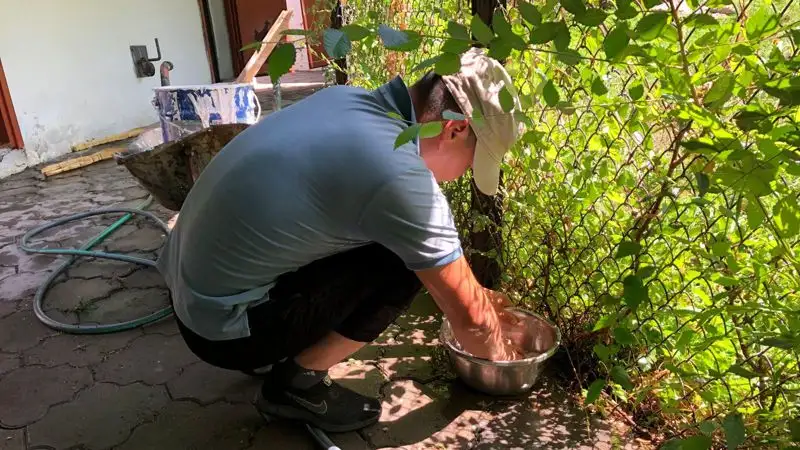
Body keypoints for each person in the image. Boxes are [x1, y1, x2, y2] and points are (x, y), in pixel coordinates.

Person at [156, 48, 527, 433]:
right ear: (455, 129)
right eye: (472, 161)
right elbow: (474, 325)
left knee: (403, 242)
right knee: (402, 264)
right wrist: (506, 357)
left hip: (188, 293)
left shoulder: (346, 99)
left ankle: (274, 342)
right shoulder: (398, 174)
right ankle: (295, 386)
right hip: (219, 332)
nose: (463, 174)